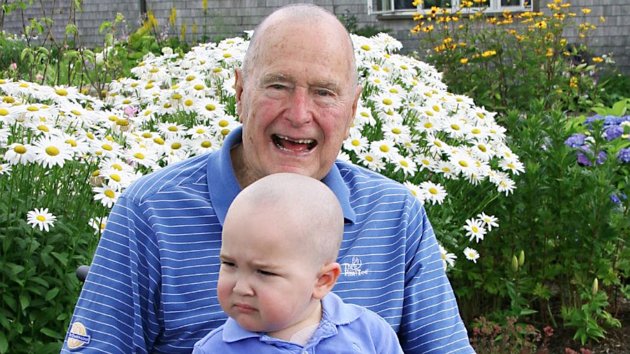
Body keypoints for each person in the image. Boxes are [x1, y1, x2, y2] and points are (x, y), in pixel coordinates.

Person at [62, 3, 474, 353]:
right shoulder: (151, 212)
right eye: (277, 86)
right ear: (240, 93)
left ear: (352, 109)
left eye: (324, 92)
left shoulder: (395, 215)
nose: (299, 114)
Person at [192, 173, 404, 353]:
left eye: (264, 272)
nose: (241, 287)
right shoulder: (215, 349)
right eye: (230, 264)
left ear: (322, 280)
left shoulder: (369, 333)